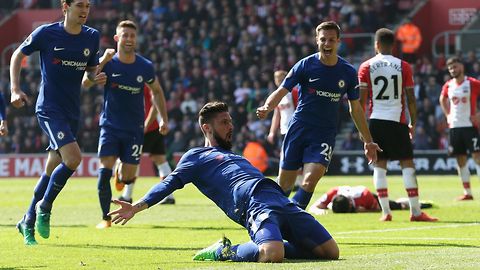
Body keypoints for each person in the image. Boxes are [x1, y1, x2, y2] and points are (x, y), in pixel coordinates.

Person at [108, 101, 339, 262]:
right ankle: (224, 251)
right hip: (253, 204)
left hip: (277, 196)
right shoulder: (195, 157)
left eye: (230, 121)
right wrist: (137, 207)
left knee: (330, 252)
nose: (231, 127)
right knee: (272, 255)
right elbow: (167, 184)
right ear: (206, 128)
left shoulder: (235, 155)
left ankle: (271, 241)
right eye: (224, 123)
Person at [256, 21, 381, 210]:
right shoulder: (305, 65)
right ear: (317, 41)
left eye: (331, 40)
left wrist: (368, 141)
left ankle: (293, 221)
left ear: (338, 41)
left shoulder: (347, 72)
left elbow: (355, 109)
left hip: (324, 133)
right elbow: (282, 91)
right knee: (284, 186)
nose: (327, 44)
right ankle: (272, 219)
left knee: (309, 180)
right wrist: (267, 106)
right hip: (299, 128)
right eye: (323, 39)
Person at [11, 0, 104, 245]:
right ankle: (45, 206)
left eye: (88, 6)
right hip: (49, 109)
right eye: (80, 5)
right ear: (65, 6)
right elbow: (16, 54)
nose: (85, 11)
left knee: (52, 167)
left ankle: (27, 220)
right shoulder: (46, 33)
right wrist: (14, 89)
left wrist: (98, 76)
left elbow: (90, 75)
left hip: (73, 111)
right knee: (73, 158)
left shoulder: (92, 37)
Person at [82, 20, 168, 229]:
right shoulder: (109, 63)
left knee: (129, 176)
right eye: (125, 35)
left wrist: (163, 118)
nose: (129, 39)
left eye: (132, 35)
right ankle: (105, 218)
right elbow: (86, 82)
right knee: (104, 171)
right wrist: (102, 61)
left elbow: (156, 91)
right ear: (117, 38)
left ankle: (121, 171)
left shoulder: (144, 66)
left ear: (135, 39)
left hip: (134, 129)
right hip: (110, 126)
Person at [358, 28, 438, 222]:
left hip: (376, 121)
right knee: (407, 165)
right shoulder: (403, 66)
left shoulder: (366, 66)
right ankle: (416, 212)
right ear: (393, 45)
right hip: (397, 121)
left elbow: (360, 102)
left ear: (376, 45)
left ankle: (385, 212)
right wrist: (413, 122)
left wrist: (363, 131)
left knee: (379, 165)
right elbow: (411, 99)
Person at [116, 84, 174, 205]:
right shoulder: (145, 81)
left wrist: (145, 125)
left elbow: (155, 104)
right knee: (160, 160)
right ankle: (169, 195)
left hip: (145, 129)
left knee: (133, 159)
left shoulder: (145, 83)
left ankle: (127, 196)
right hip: (153, 128)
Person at [439, 56, 480, 201]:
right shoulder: (448, 85)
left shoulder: (472, 83)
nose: (452, 70)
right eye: (450, 68)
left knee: (477, 157)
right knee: (460, 160)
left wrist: (478, 114)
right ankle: (467, 192)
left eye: (455, 67)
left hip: (470, 126)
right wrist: (448, 115)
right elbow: (442, 99)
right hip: (455, 127)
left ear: (461, 67)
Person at [266, 70, 302, 193]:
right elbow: (277, 115)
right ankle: (289, 180)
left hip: (294, 128)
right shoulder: (277, 95)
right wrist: (272, 132)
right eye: (277, 79)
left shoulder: (294, 93)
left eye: (281, 79)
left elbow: (300, 109)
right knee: (285, 155)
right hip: (284, 130)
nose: (279, 81)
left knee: (291, 154)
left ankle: (295, 181)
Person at [308, 185, 433, 215]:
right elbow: (314, 206)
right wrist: (319, 211)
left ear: (351, 203)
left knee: (397, 206)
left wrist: (365, 211)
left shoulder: (364, 195)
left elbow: (378, 209)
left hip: (370, 198)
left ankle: (419, 204)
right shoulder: (333, 193)